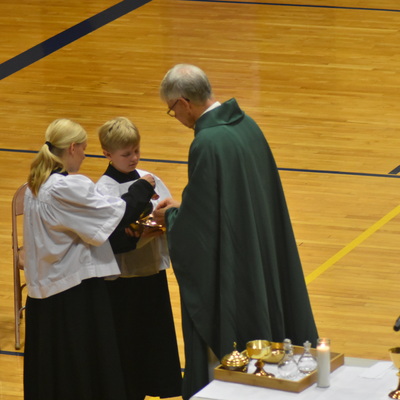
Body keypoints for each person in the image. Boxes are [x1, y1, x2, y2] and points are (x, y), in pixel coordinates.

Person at [153, 64, 319, 399]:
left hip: (237, 259)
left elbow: (200, 224)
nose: (177, 117)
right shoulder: (248, 125)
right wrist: (183, 210)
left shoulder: (207, 142)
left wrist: (170, 220)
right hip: (260, 243)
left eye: (172, 111)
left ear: (184, 103)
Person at [23, 118, 157, 400]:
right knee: (82, 367)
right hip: (72, 290)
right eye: (83, 149)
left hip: (47, 288)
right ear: (72, 148)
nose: (85, 155)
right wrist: (143, 187)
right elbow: (116, 213)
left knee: (56, 369)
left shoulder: (36, 184)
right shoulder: (65, 187)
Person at [95, 117, 182, 400]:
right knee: (130, 347)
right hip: (123, 283)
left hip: (151, 276)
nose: (134, 158)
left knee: (154, 344)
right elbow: (112, 237)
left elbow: (168, 211)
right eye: (126, 154)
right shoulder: (103, 191)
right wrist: (141, 231)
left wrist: (168, 218)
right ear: (107, 154)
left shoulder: (150, 178)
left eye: (136, 150)